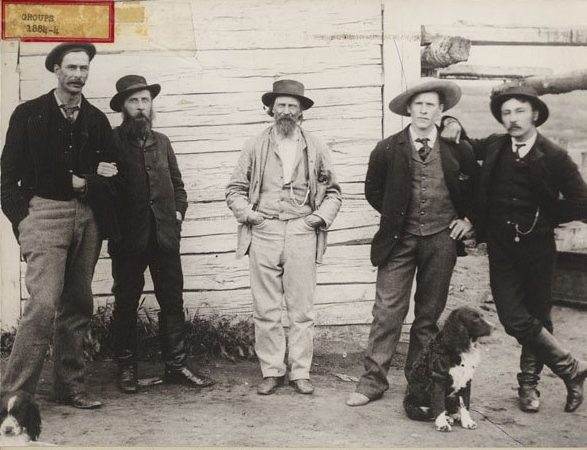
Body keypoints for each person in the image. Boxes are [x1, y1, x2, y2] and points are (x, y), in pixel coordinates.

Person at [441, 84, 587, 413]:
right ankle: (570, 368)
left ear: (535, 114)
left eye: (519, 111)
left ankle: (529, 387)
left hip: (539, 249)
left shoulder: (554, 156)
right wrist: (451, 123)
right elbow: (466, 144)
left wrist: (548, 215)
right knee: (511, 317)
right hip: (502, 246)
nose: (512, 119)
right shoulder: (495, 146)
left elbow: (582, 202)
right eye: (506, 113)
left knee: (538, 315)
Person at [0, 42, 121, 409]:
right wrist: (25, 223)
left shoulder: (97, 120)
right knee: (43, 304)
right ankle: (15, 395)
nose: (78, 76)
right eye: (71, 68)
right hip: (45, 216)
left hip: (88, 219)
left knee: (79, 304)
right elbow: (7, 179)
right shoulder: (29, 114)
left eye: (84, 69)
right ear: (56, 70)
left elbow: (114, 174)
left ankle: (70, 387)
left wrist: (86, 181)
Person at [346, 78, 478, 407]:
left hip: (441, 240)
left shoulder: (458, 147)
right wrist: (397, 217)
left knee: (428, 317)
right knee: (387, 312)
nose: (423, 110)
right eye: (417, 104)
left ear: (441, 111)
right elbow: (373, 191)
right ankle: (372, 381)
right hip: (398, 241)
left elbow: (478, 188)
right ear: (408, 109)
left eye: (430, 105)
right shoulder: (388, 148)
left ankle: (419, 383)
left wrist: (467, 219)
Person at [226, 79, 342, 395]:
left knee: (302, 309)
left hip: (302, 230)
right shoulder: (254, 145)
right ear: (271, 109)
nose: (287, 111)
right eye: (281, 105)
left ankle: (300, 372)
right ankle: (272, 371)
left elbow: (333, 192)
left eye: (293, 106)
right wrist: (250, 216)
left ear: (301, 111)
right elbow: (234, 189)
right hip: (264, 230)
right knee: (266, 308)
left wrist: (317, 218)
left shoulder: (316, 146)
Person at [105, 75, 215, 393]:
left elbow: (178, 186)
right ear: (123, 107)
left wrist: (177, 213)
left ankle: (176, 367)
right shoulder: (112, 142)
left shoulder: (163, 142)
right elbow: (105, 191)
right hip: (128, 240)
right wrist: (116, 230)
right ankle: (126, 368)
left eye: (145, 100)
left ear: (151, 105)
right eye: (134, 101)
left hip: (165, 237)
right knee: (126, 301)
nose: (141, 107)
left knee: (172, 300)